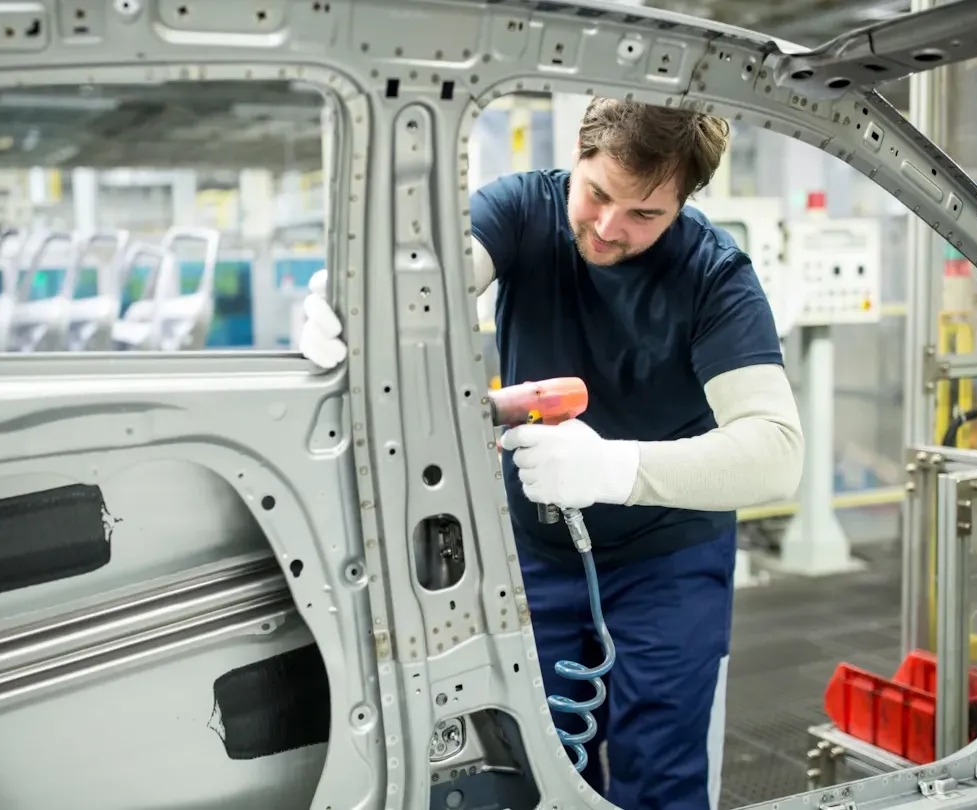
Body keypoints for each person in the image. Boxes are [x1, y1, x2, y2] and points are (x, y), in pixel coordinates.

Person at [299, 98, 804, 810]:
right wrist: (357, 305)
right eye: (597, 194)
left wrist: (616, 471)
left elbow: (777, 452)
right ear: (579, 154)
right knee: (531, 763)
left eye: (644, 215)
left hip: (671, 558)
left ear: (684, 202)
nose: (607, 228)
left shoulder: (715, 276)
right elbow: (426, 283)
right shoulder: (519, 213)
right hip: (534, 552)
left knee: (662, 774)